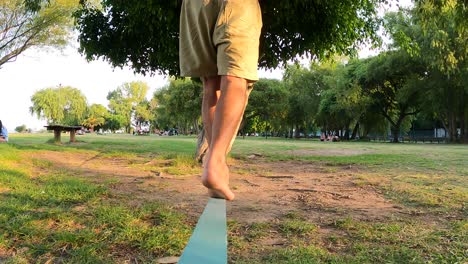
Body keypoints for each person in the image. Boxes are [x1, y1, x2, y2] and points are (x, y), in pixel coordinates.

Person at [179, 0, 262, 200]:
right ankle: (215, 164)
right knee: (235, 78)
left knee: (211, 83)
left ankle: (214, 161)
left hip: (195, 5)